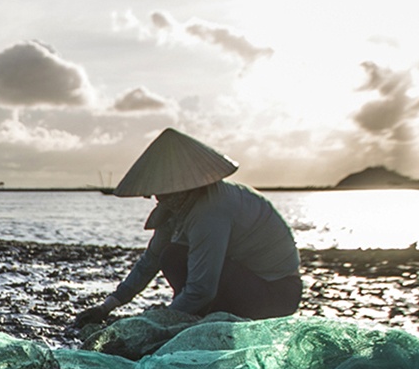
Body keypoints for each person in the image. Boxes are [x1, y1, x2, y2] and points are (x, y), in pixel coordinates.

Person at [76, 128, 302, 326]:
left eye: (163, 191)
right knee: (171, 255)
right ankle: (202, 314)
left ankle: (206, 316)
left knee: (176, 257)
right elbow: (151, 259)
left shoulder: (210, 211)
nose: (157, 196)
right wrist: (108, 306)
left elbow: (202, 289)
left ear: (183, 187)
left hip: (276, 294)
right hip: (245, 279)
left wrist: (163, 322)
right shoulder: (175, 207)